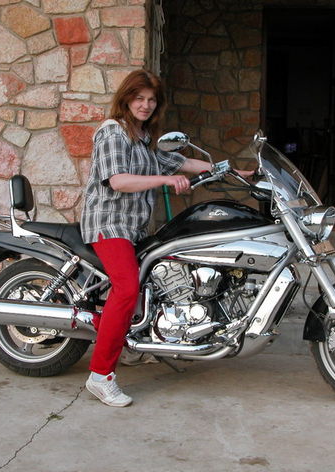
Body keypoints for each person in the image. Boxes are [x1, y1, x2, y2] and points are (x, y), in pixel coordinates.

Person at [80, 69, 252, 407]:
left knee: (157, 280)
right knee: (127, 289)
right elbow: (117, 180)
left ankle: (136, 345)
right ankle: (100, 376)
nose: (145, 105)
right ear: (126, 99)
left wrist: (235, 172)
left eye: (151, 100)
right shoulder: (113, 131)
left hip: (134, 228)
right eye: (139, 98)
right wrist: (164, 180)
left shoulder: (144, 138)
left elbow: (183, 161)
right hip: (109, 224)